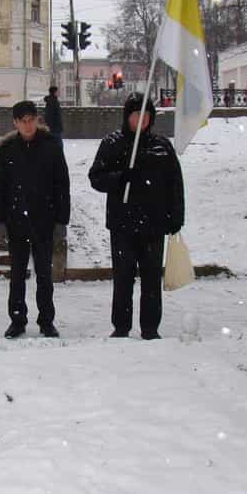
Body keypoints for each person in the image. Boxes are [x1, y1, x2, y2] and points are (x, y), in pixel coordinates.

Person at [88, 93, 184, 339]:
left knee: (152, 279)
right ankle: (121, 326)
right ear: (127, 116)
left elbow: (175, 183)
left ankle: (150, 328)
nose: (141, 120)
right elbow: (96, 178)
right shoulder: (113, 143)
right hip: (123, 224)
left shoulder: (161, 146)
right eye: (136, 115)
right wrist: (120, 177)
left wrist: (176, 216)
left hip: (154, 224)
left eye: (146, 115)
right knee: (123, 279)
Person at [0, 100, 70, 339]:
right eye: (22, 121)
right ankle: (17, 319)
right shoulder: (6, 150)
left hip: (44, 222)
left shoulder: (51, 147)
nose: (28, 125)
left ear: (37, 120)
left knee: (44, 275)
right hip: (16, 223)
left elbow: (62, 186)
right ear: (15, 123)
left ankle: (46, 320)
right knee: (17, 275)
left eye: (31, 120)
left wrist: (61, 220)